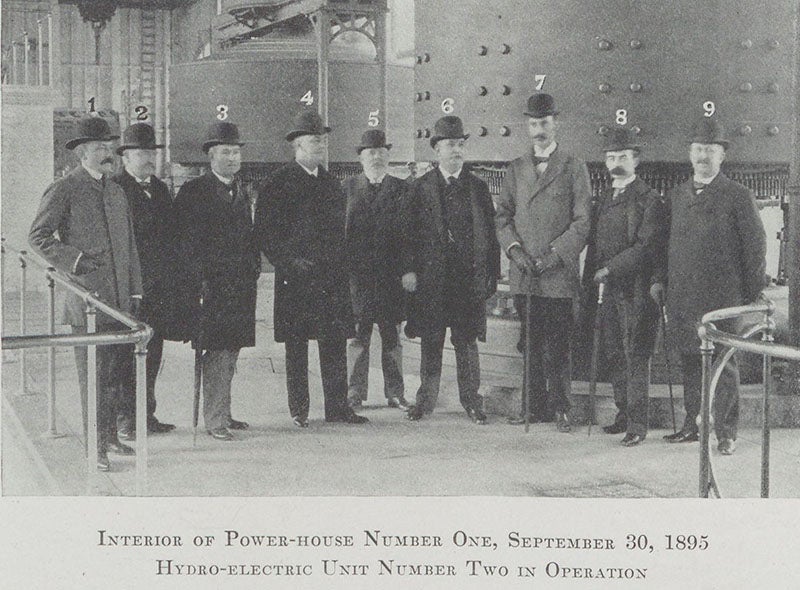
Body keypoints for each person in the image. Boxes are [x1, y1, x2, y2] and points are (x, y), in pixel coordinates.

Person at [29, 116, 142, 471]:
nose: (107, 154)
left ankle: (108, 436)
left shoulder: (116, 190)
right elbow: (38, 237)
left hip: (120, 301)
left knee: (112, 376)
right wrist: (75, 261)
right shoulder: (65, 188)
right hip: (88, 301)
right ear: (81, 153)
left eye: (109, 148)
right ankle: (95, 449)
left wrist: (135, 291)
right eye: (98, 148)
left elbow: (130, 245)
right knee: (92, 377)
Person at [652, 118, 766, 455]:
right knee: (689, 359)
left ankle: (726, 432)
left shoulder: (738, 196)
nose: (704, 156)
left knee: (724, 364)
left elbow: (756, 247)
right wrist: (660, 280)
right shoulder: (675, 196)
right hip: (683, 297)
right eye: (699, 149)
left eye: (710, 150)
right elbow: (662, 244)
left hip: (723, 300)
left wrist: (747, 293)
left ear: (722, 156)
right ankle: (692, 424)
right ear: (690, 154)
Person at [255, 110, 368, 427]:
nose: (320, 145)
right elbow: (265, 232)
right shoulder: (278, 183)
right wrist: (289, 263)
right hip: (297, 278)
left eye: (322, 140)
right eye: (314, 140)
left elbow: (341, 232)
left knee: (333, 343)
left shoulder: (332, 184)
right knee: (297, 345)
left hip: (331, 278)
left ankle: (337, 407)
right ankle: (299, 409)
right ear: (296, 145)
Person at [495, 93, 591, 433]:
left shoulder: (573, 166)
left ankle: (561, 408)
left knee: (559, 347)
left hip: (558, 276)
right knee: (530, 345)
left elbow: (582, 221)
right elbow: (502, 217)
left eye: (545, 124)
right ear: (528, 127)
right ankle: (532, 408)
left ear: (555, 124)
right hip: (525, 275)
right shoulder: (517, 168)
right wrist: (516, 252)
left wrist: (555, 256)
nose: (539, 130)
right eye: (534, 124)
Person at [402, 115, 500, 424]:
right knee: (432, 341)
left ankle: (472, 401)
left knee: (466, 343)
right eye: (449, 145)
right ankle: (425, 401)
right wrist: (409, 270)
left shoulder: (478, 188)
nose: (456, 150)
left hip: (467, 281)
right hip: (433, 281)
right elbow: (406, 234)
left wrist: (491, 275)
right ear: (436, 150)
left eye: (460, 144)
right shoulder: (420, 188)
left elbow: (491, 235)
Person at [174, 121, 260, 441]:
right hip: (212, 288)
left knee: (232, 351)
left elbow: (249, 237)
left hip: (239, 288)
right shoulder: (194, 191)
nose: (233, 157)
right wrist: (197, 281)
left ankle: (223, 411)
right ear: (211, 155)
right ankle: (214, 420)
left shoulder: (240, 189)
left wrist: (252, 269)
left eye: (236, 152)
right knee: (218, 354)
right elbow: (185, 244)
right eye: (226, 152)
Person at [581, 128, 666, 446]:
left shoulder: (648, 199)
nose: (616, 162)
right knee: (615, 352)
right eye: (611, 157)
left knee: (635, 355)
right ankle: (622, 414)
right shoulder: (604, 198)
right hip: (609, 290)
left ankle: (638, 424)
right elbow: (595, 243)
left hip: (637, 291)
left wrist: (610, 268)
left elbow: (645, 247)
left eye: (623, 157)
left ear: (636, 160)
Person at [112, 122, 177, 439]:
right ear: (125, 158)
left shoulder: (161, 189)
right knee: (126, 357)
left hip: (159, 290)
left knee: (154, 354)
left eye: (152, 152)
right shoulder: (115, 190)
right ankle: (125, 419)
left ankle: (147, 415)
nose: (150, 158)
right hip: (131, 291)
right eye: (142, 153)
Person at [344, 129, 410, 410]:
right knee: (358, 337)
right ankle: (354, 392)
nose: (377, 157)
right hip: (357, 279)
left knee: (392, 338)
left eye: (382, 151)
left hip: (391, 279)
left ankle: (395, 392)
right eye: (371, 152)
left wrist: (408, 270)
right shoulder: (346, 189)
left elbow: (410, 236)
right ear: (361, 157)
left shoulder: (403, 189)